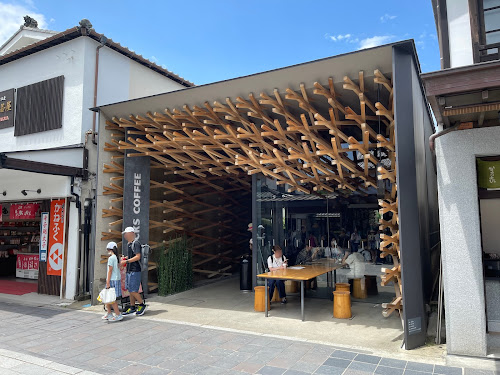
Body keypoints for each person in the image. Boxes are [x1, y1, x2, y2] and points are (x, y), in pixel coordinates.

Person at [120, 227, 147, 316]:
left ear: (131, 233)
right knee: (130, 289)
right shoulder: (129, 244)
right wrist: (126, 258)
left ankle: (142, 305)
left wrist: (126, 261)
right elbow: (132, 255)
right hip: (129, 270)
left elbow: (137, 256)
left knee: (133, 290)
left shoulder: (136, 243)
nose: (125, 235)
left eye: (126, 233)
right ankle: (132, 307)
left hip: (135, 270)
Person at [102, 241, 123, 322]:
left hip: (111, 280)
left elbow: (110, 270)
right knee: (108, 297)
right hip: (116, 279)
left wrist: (107, 282)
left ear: (109, 249)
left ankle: (118, 314)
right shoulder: (117, 258)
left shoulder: (111, 258)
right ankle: (109, 313)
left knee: (110, 298)